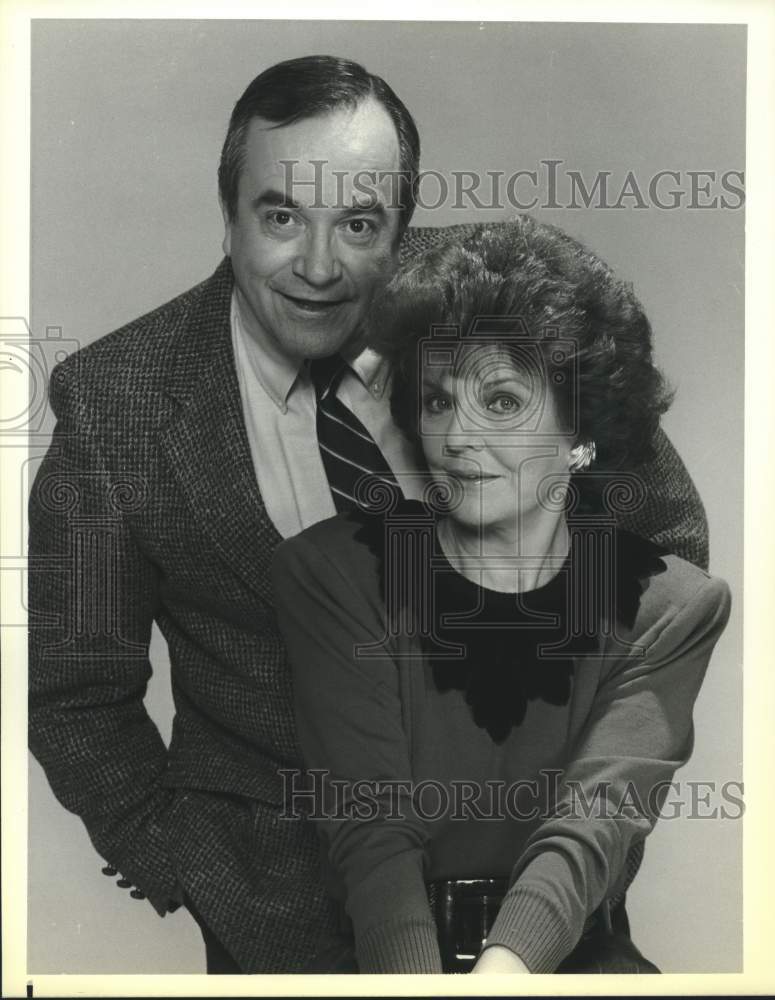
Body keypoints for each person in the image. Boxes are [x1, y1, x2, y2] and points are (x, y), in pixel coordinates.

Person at [28, 54, 708, 974]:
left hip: (543, 906)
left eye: (358, 223)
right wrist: (185, 862)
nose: (318, 267)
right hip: (288, 925)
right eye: (280, 217)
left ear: (403, 224)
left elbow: (661, 543)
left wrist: (592, 804)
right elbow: (76, 693)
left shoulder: (496, 302)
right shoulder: (120, 403)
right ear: (227, 212)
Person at [271, 217, 731, 974]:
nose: (457, 436)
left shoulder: (670, 609)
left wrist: (503, 976)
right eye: (438, 401)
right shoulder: (331, 577)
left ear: (578, 431)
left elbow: (589, 827)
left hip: (567, 959)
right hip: (375, 959)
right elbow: (372, 833)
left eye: (502, 401)